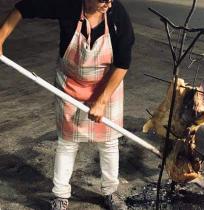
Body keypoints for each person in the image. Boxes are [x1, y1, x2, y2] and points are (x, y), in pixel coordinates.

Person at [0, 0, 134, 209]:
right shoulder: (68, 5)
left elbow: (123, 63)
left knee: (108, 143)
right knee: (67, 142)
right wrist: (0, 38)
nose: (107, 3)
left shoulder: (117, 14)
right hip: (71, 84)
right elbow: (23, 8)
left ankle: (110, 191)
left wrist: (101, 101)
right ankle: (60, 194)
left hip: (107, 85)